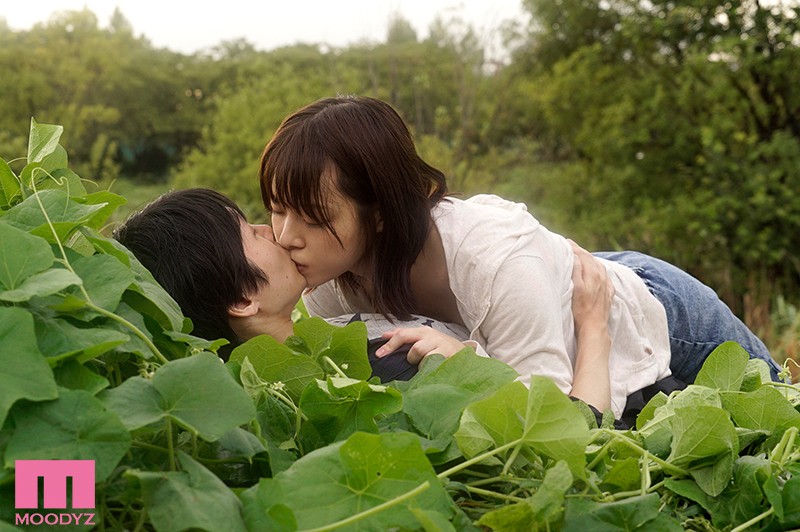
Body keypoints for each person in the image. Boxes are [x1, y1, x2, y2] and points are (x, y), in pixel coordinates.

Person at [258, 95, 784, 419]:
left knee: (785, 408)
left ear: (379, 212)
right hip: (548, 292)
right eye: (277, 210)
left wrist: (465, 358)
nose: (286, 236)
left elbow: (556, 417)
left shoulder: (493, 259)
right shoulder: (328, 278)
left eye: (312, 216)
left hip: (645, 308)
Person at [113, 188, 616, 413]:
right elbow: (574, 429)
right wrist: (594, 326)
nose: (274, 231)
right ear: (244, 298)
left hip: (596, 270)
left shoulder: (307, 345)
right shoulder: (385, 367)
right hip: (617, 304)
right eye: (250, 233)